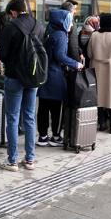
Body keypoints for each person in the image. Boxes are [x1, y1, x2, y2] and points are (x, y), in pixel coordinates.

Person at [0, 0, 45, 172]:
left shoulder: (10, 27)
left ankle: (12, 161)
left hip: (14, 77)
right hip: (32, 78)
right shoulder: (38, 26)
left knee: (12, 118)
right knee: (30, 117)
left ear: (12, 12)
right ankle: (30, 159)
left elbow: (2, 54)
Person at [37, 9, 82, 147]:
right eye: (69, 20)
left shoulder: (50, 31)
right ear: (63, 21)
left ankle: (43, 136)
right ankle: (55, 136)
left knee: (43, 107)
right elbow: (60, 55)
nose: (71, 24)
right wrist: (75, 64)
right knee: (57, 108)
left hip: (45, 75)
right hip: (56, 75)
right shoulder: (61, 36)